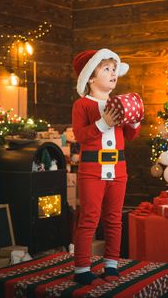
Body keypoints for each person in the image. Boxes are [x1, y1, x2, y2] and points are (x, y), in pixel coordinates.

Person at [71, 48, 141, 285]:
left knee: (114, 219)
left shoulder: (119, 103)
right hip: (91, 172)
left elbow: (130, 136)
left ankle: (111, 265)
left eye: (114, 69)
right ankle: (81, 268)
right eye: (107, 69)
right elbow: (80, 136)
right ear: (91, 77)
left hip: (118, 170)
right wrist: (103, 123)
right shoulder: (82, 105)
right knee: (89, 218)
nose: (113, 73)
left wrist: (134, 121)